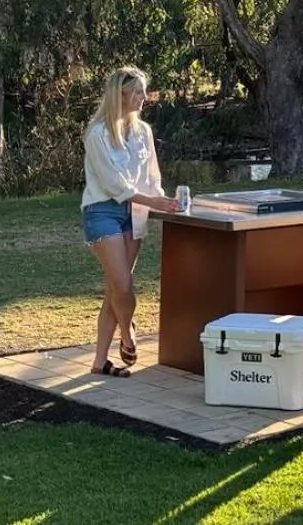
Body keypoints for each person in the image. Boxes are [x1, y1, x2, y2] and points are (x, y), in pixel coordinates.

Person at [80, 67, 180, 377]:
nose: (144, 98)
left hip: (135, 212)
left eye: (143, 91)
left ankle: (99, 363)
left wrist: (162, 202)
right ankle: (127, 332)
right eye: (137, 92)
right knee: (122, 283)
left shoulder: (143, 132)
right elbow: (114, 184)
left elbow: (151, 176)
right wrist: (151, 201)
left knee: (115, 289)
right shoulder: (97, 134)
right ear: (119, 95)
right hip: (103, 210)